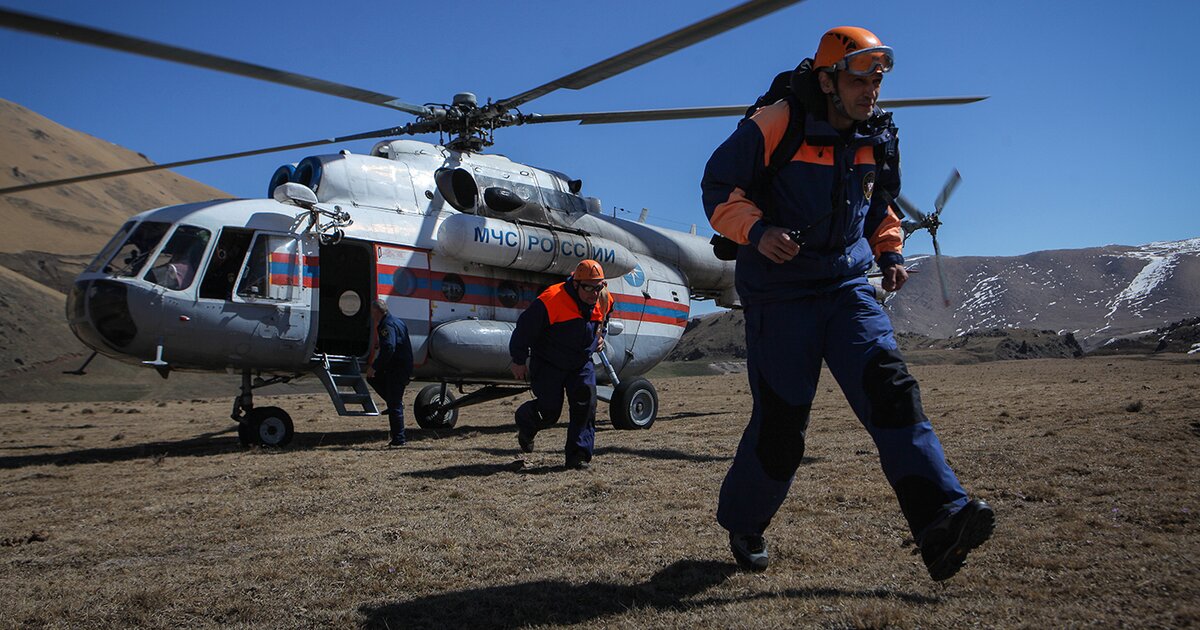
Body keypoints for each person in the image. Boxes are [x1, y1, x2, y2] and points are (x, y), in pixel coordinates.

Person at [700, 26, 993, 580]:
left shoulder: (876, 138)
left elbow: (878, 203)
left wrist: (888, 251)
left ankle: (942, 520)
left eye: (878, 77)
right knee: (782, 426)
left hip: (846, 288)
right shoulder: (775, 124)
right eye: (861, 76)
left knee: (893, 395)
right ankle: (745, 522)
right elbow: (718, 189)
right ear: (828, 78)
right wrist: (757, 230)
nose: (872, 88)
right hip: (780, 295)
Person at [508, 260, 613, 470]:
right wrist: (518, 360)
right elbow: (524, 329)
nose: (594, 293)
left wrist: (600, 336)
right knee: (549, 411)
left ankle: (578, 457)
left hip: (580, 361)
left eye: (598, 287)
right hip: (549, 363)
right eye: (588, 288)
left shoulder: (603, 298)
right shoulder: (552, 299)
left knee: (586, 404)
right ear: (576, 284)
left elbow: (604, 320)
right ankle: (526, 422)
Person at [366, 298, 413, 447]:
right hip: (403, 366)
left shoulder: (386, 325)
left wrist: (375, 366)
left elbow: (390, 348)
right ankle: (393, 402)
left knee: (394, 403)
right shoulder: (397, 321)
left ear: (376, 311)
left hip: (396, 368)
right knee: (372, 379)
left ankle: (399, 439)